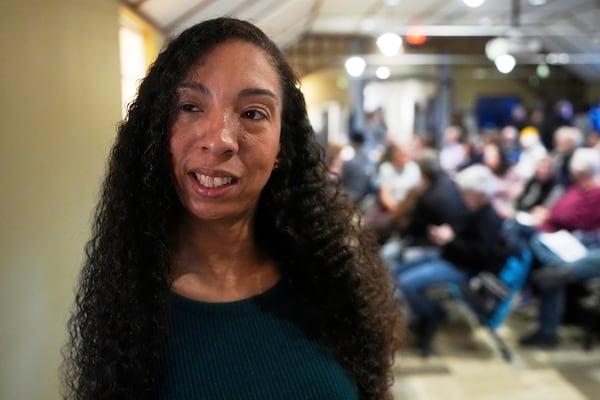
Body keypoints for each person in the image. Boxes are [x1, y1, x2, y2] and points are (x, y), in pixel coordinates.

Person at [62, 18, 401, 400]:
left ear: (281, 147)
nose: (220, 139)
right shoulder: (128, 297)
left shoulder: (329, 279)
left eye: (253, 113)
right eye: (190, 106)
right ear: (158, 132)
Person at [394, 164, 513, 356]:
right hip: (449, 256)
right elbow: (460, 230)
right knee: (397, 271)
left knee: (405, 283)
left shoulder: (488, 219)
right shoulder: (475, 210)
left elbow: (479, 256)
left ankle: (432, 314)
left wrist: (451, 239)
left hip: (462, 267)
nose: (463, 197)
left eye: (466, 193)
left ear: (478, 194)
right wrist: (448, 234)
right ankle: (423, 315)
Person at [519, 147, 600, 348]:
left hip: (582, 246)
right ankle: (558, 270)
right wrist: (547, 214)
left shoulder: (595, 193)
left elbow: (577, 220)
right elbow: (562, 212)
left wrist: (549, 216)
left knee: (550, 269)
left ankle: (547, 331)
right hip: (567, 241)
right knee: (529, 241)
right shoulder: (576, 188)